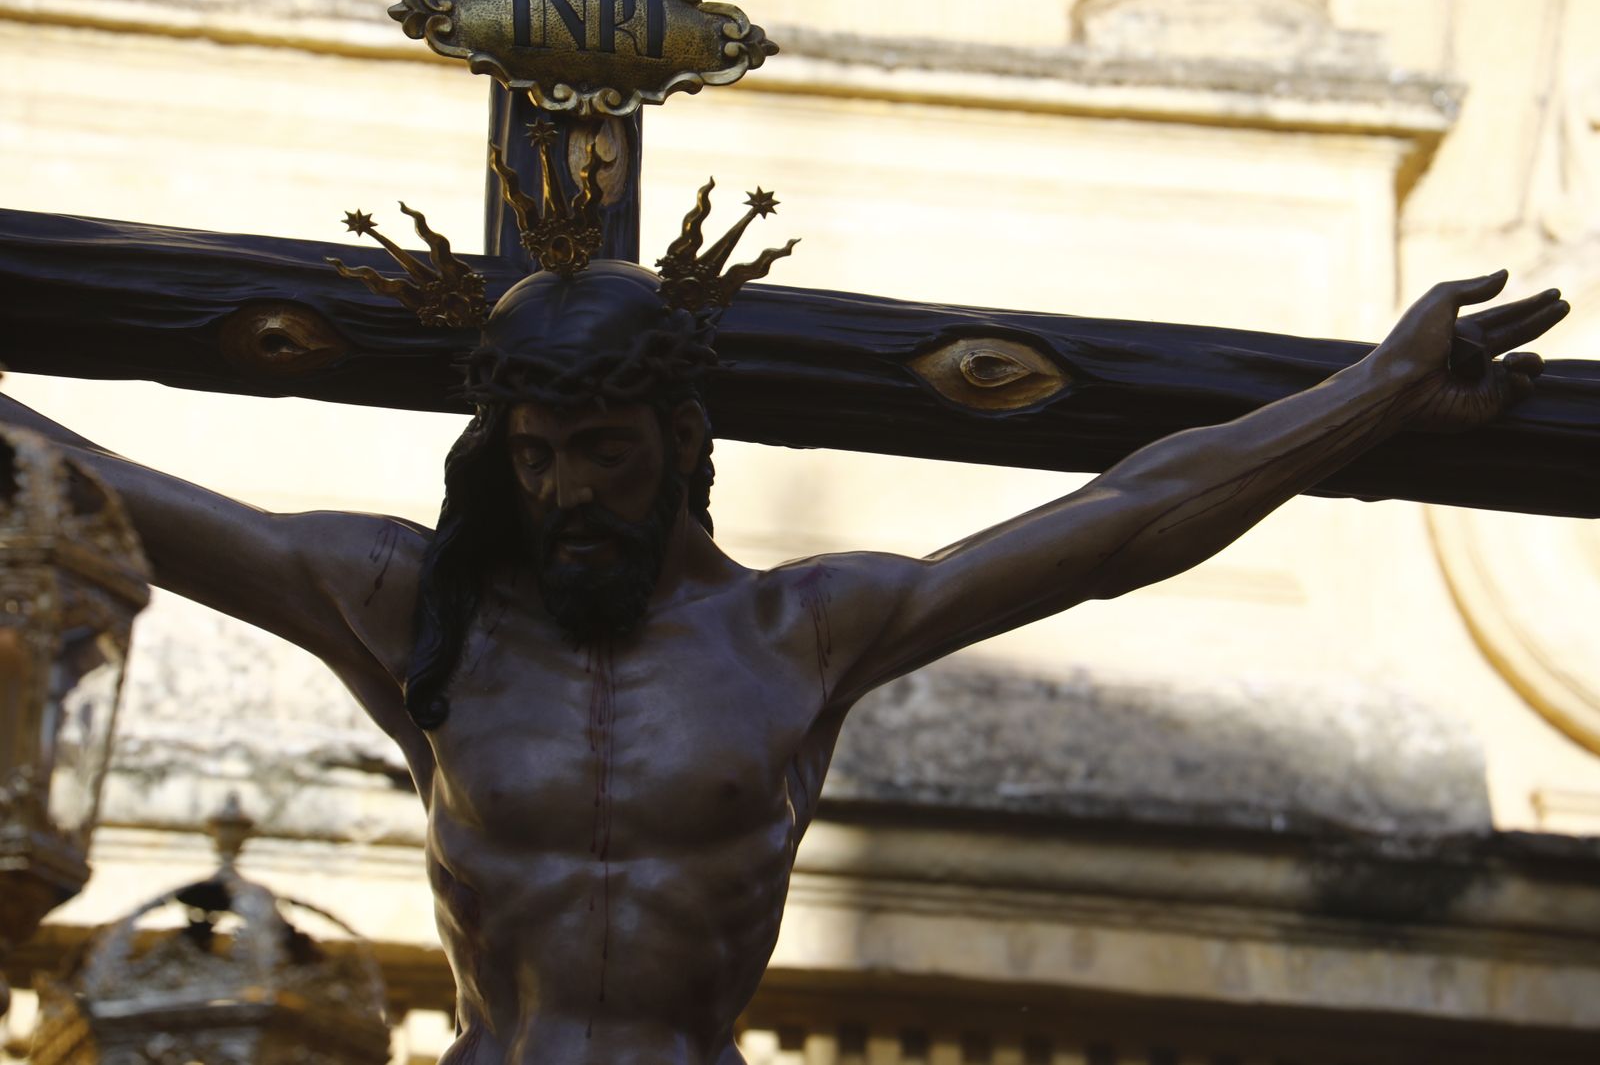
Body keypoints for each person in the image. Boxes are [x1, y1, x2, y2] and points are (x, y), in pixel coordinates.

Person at [0, 181, 1565, 1062]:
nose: (566, 493)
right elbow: (132, 496)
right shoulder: (416, 610)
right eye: (536, 457)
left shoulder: (800, 634)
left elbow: (1118, 525)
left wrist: (1368, 398)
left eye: (601, 452)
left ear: (679, 440)